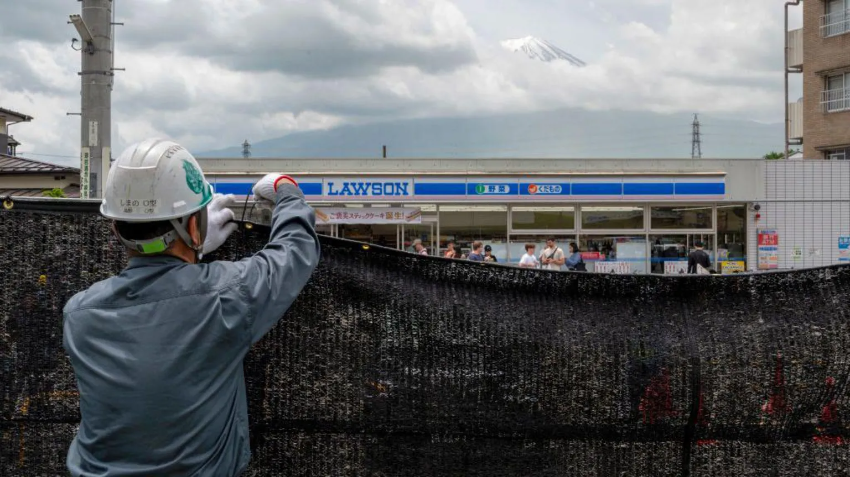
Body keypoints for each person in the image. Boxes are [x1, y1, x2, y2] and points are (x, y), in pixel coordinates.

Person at [62, 138, 321, 476]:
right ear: (195, 224)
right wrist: (286, 191)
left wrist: (192, 247)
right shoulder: (226, 297)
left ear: (115, 228)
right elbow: (295, 250)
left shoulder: (79, 315)